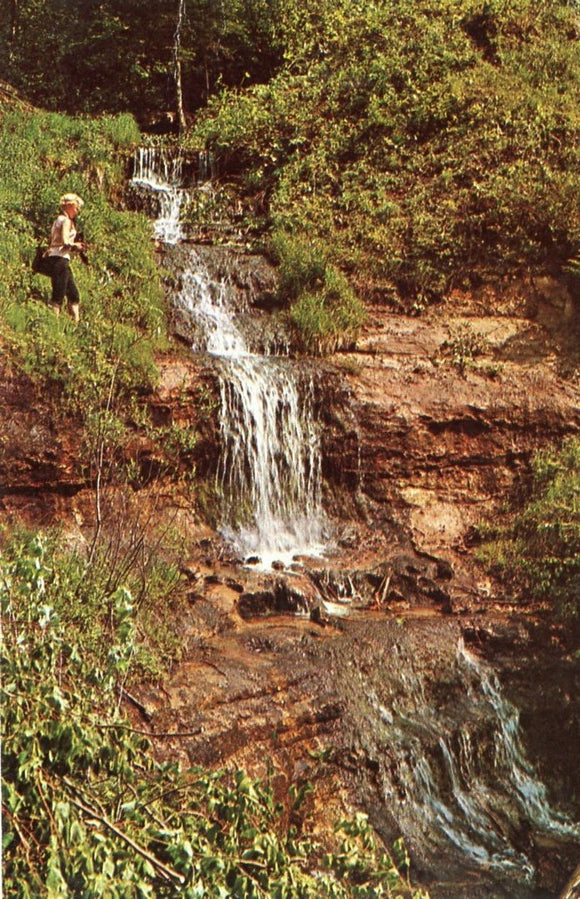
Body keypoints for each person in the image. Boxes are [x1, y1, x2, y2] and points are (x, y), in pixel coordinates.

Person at [46, 193, 87, 322]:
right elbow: (65, 241)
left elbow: (52, 240)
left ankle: (75, 325)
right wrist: (77, 246)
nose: (77, 211)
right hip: (60, 260)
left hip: (56, 257)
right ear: (70, 206)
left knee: (73, 294)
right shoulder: (66, 221)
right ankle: (52, 326)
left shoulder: (57, 220)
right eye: (77, 208)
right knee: (58, 295)